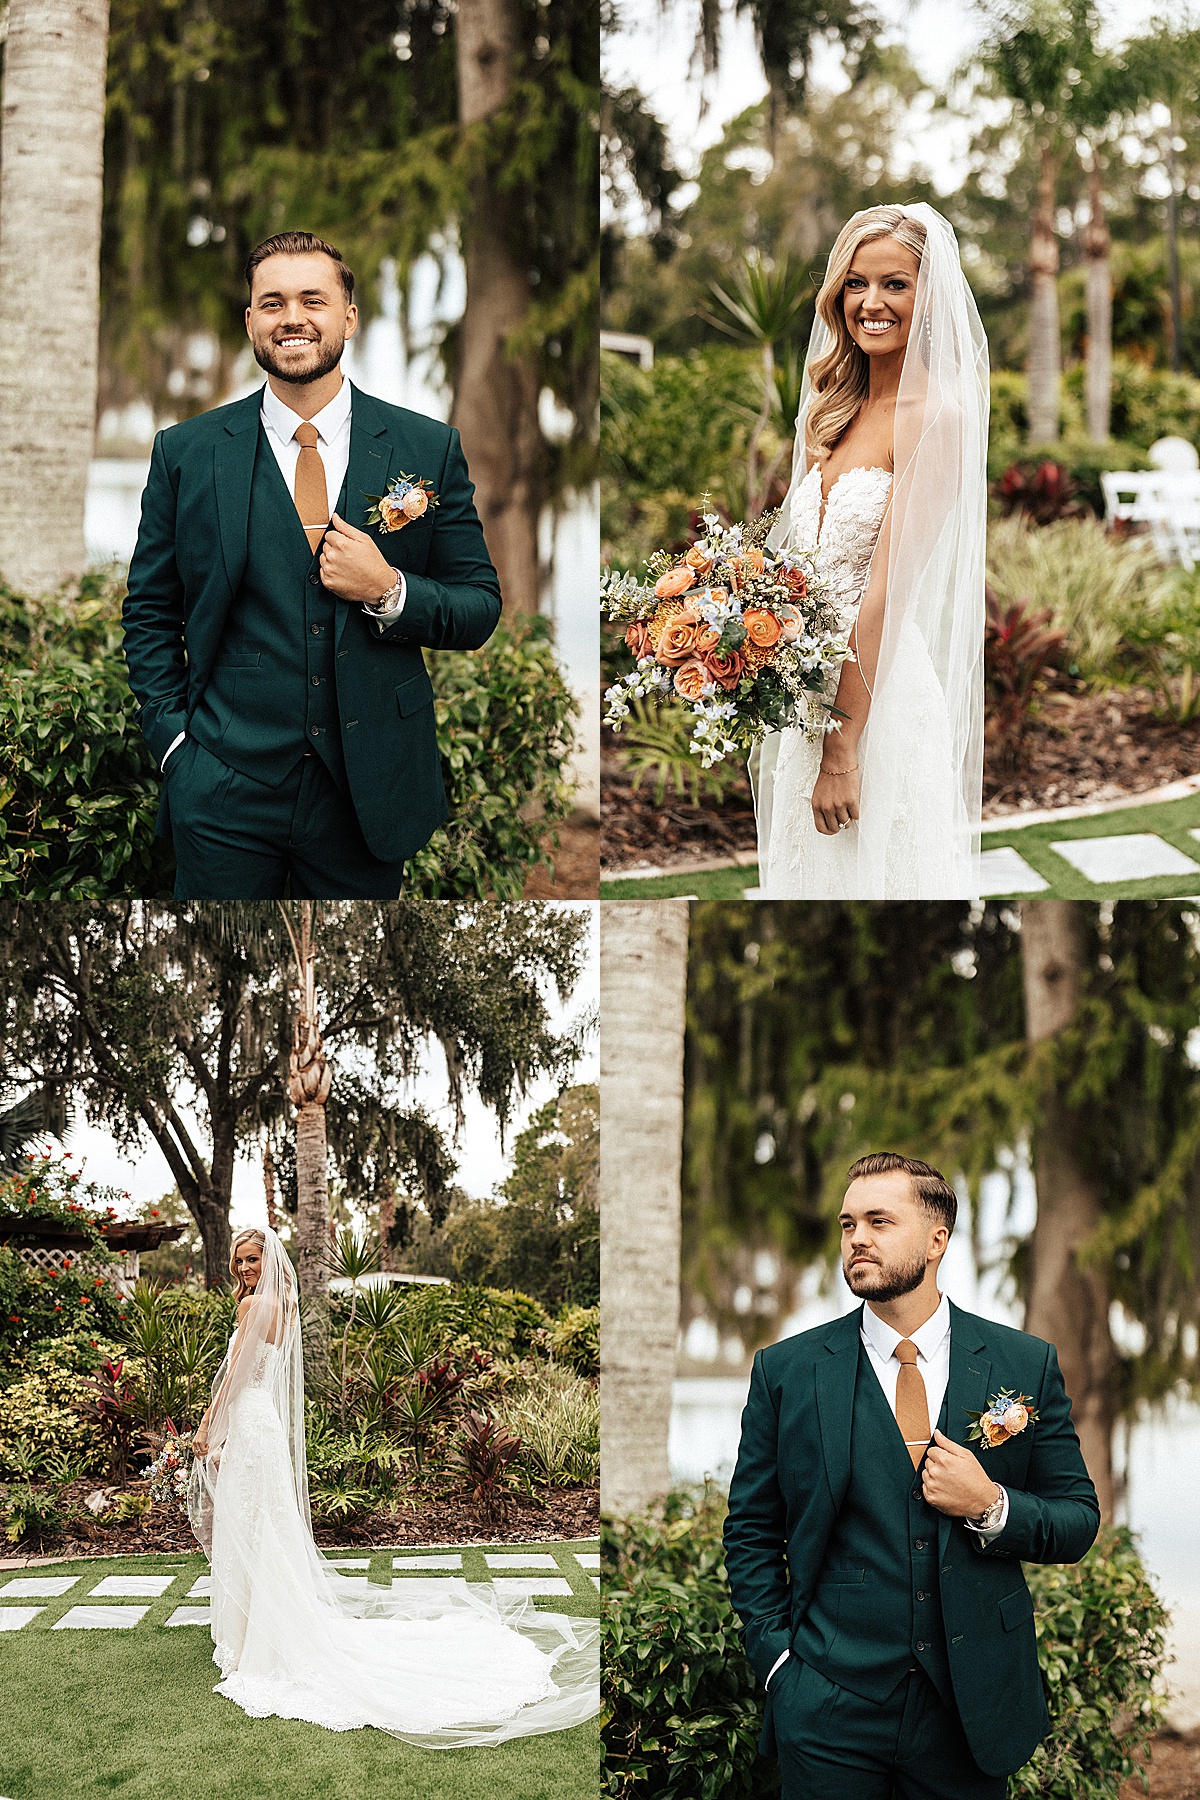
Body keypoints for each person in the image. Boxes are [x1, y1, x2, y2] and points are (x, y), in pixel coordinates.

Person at [123, 231, 502, 900]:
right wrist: (176, 747)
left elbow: (478, 606)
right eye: (272, 302)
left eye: (312, 299)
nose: (292, 317)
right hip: (222, 788)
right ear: (250, 321)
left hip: (368, 790)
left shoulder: (425, 447)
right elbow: (150, 611)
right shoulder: (186, 452)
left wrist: (390, 589)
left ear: (348, 317)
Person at [723, 1152, 1100, 1800]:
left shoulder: (1022, 1362)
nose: (857, 1239)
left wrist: (991, 1504)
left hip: (969, 1707)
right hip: (827, 1705)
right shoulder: (786, 1371)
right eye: (847, 1225)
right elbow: (751, 1531)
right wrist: (780, 1665)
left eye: (878, 1221)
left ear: (936, 1239)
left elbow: (1078, 1517)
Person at [187, 1227, 598, 1745]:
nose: (245, 1269)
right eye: (240, 1261)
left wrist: (208, 1429)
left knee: (254, 1524)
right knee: (263, 1523)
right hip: (262, 1424)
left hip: (250, 1419)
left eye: (253, 1259)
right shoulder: (283, 1305)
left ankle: (258, 1640)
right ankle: (261, 1628)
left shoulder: (254, 1308)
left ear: (268, 1261)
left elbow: (235, 1378)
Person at [755, 204, 988, 897]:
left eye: (895, 284)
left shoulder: (936, 417)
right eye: (856, 284)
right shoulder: (832, 407)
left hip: (873, 706)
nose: (871, 303)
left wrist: (842, 746)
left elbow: (885, 591)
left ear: (929, 297)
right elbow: (795, 569)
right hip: (805, 701)